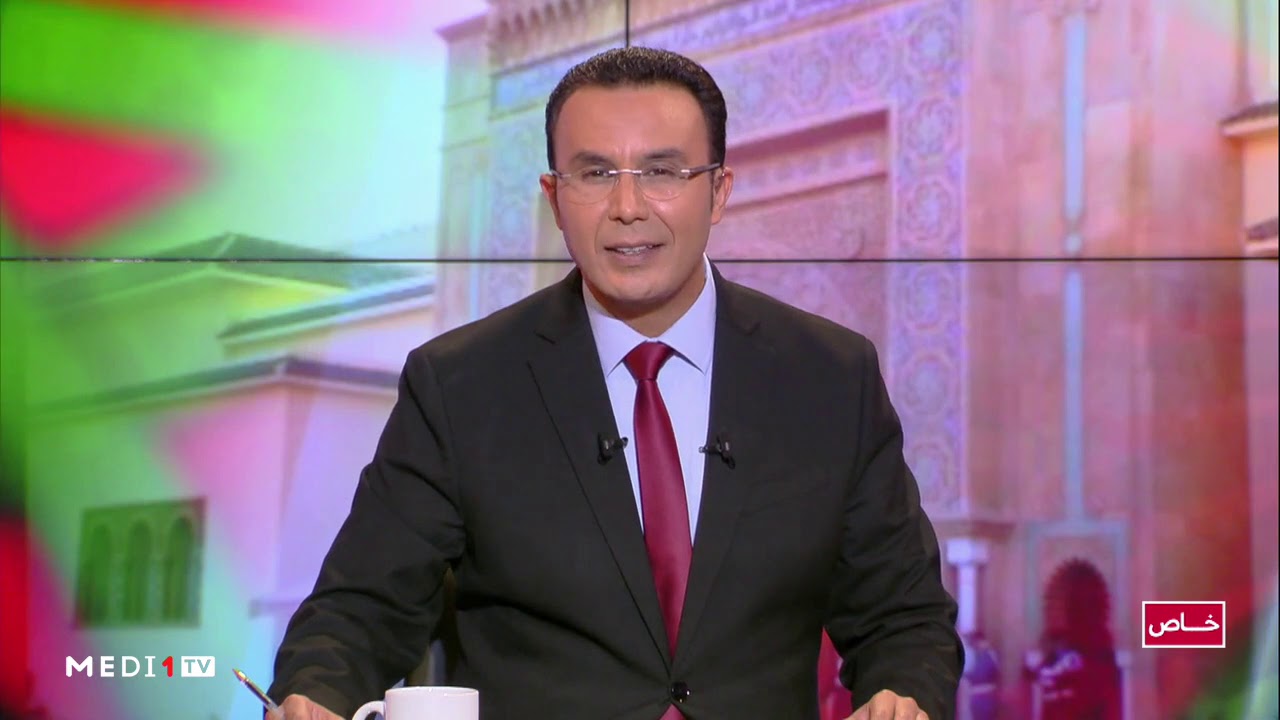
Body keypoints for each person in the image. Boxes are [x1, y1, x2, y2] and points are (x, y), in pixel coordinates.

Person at [267, 46, 962, 720]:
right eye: (595, 174)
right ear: (554, 197)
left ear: (719, 191)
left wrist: (902, 696)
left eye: (662, 172)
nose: (628, 207)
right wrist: (317, 692)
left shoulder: (828, 377)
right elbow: (358, 611)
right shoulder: (460, 385)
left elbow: (905, 620)